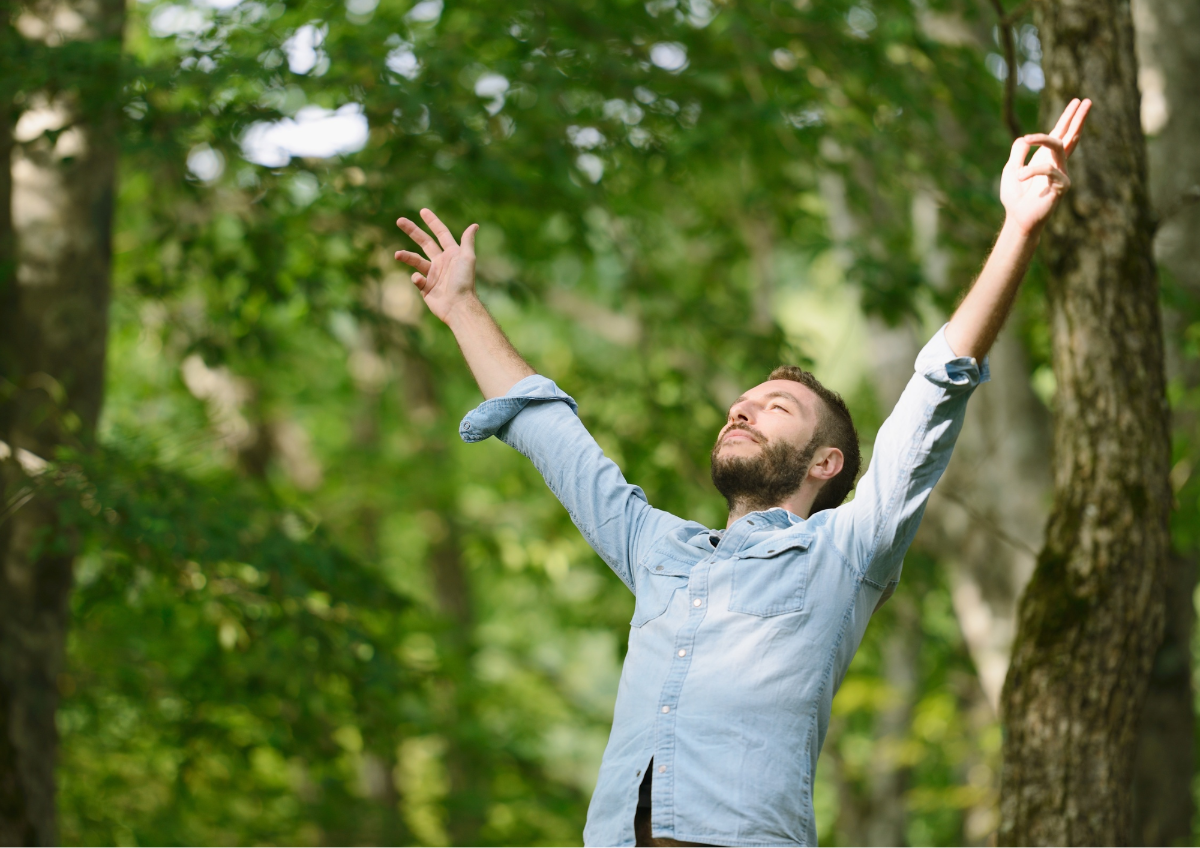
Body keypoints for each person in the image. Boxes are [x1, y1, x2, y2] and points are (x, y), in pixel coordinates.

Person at [394, 99, 1092, 847]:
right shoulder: (659, 550)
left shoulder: (846, 553)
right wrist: (462, 305)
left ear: (826, 462)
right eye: (742, 401)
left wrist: (1017, 228)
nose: (742, 408)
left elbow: (936, 390)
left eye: (776, 406)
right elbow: (550, 432)